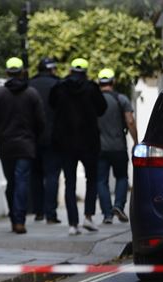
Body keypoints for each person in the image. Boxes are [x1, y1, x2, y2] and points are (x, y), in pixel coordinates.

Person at [0, 57, 45, 234]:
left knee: (12, 182)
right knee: (21, 182)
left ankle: (14, 217)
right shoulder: (32, 94)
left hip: (6, 145)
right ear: (22, 72)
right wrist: (35, 138)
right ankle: (19, 219)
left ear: (6, 73)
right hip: (26, 145)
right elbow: (41, 121)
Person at [49, 58, 107, 236]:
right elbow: (101, 109)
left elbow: (51, 105)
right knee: (92, 180)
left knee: (70, 183)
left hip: (66, 143)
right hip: (89, 143)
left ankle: (73, 223)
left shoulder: (60, 88)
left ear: (71, 70)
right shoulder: (92, 88)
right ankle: (88, 217)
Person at [96, 68, 138, 224]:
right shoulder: (121, 99)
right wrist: (136, 141)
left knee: (101, 181)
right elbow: (130, 121)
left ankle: (107, 214)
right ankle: (119, 205)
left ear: (99, 82)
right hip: (118, 147)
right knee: (121, 177)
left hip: (99, 148)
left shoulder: (94, 101)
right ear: (113, 82)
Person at [28, 57, 62, 224]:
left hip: (33, 137)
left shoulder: (29, 85)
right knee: (52, 176)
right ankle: (51, 213)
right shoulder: (58, 84)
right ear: (52, 69)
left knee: (35, 175)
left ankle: (38, 211)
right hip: (54, 137)